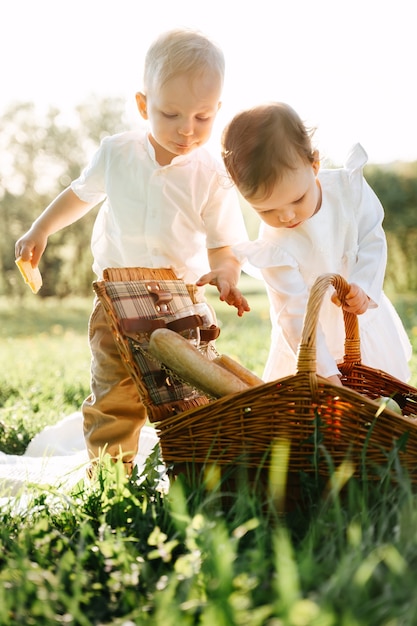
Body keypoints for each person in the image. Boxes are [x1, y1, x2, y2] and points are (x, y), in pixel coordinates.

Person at [15, 28, 250, 474]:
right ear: (144, 106)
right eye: (171, 113)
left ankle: (192, 469)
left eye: (203, 117)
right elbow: (80, 194)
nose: (187, 129)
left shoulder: (212, 172)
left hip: (180, 303)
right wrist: (41, 228)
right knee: (114, 392)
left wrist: (225, 273)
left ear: (218, 110)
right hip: (116, 303)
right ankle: (111, 474)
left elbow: (223, 242)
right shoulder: (117, 153)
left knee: (188, 392)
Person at [221, 101, 412, 386]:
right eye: (266, 210)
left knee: (377, 399)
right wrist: (326, 374)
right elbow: (294, 314)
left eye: (297, 199)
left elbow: (372, 238)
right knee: (313, 419)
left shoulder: (348, 191)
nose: (286, 216)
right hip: (310, 339)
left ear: (314, 165)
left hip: (361, 326)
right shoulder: (272, 246)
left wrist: (364, 287)